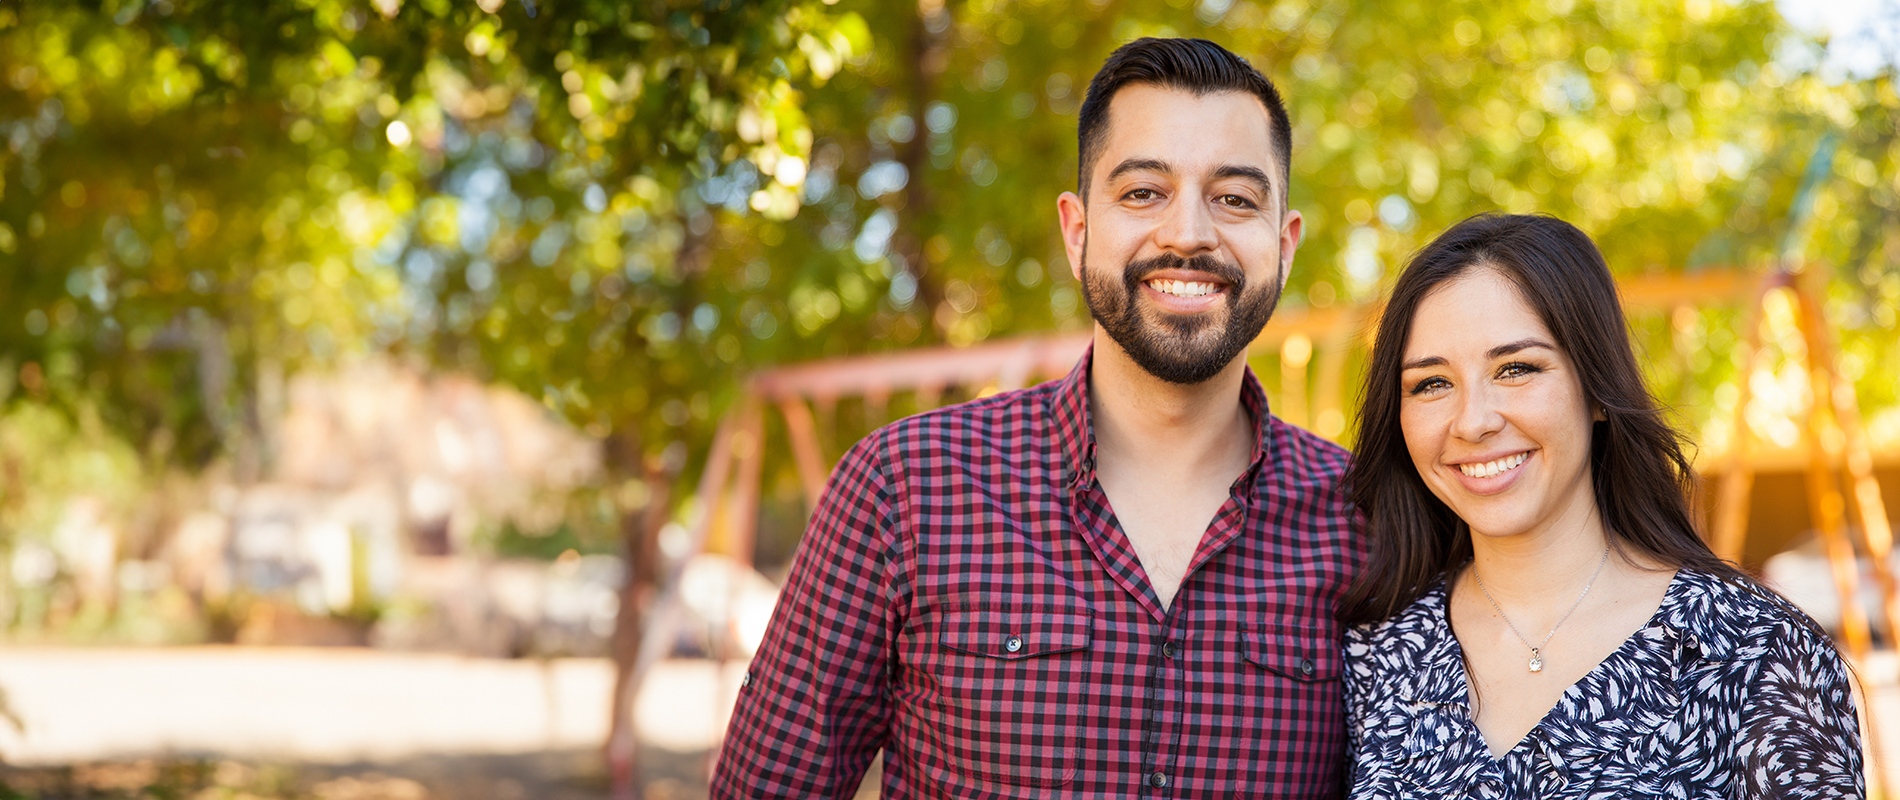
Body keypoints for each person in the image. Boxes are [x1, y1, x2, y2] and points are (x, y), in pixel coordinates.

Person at [712, 37, 1360, 798]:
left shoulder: (1369, 521)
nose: (1189, 233)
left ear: (1284, 247)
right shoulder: (904, 486)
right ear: (1076, 230)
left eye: (1236, 199)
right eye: (1144, 192)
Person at [1340, 212, 1862, 797]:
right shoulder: (1374, 654)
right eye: (1432, 383)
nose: (1474, 421)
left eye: (1516, 369)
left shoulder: (1756, 652)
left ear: (1597, 390)